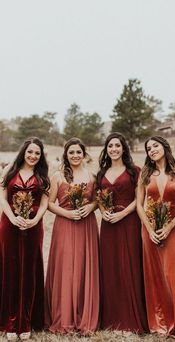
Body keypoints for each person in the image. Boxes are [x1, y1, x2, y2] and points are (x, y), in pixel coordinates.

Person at [137, 136, 175, 339]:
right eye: (148, 148)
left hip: (173, 227)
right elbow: (139, 205)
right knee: (154, 275)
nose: (152, 150)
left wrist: (168, 227)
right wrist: (150, 229)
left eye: (155, 146)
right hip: (149, 229)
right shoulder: (145, 174)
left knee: (174, 275)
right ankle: (159, 322)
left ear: (164, 147)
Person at [44, 137, 100, 334]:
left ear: (84, 154)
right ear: (66, 155)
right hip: (64, 225)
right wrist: (67, 213)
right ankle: (65, 316)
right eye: (71, 152)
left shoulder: (92, 176)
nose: (75, 155)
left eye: (78, 152)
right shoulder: (58, 176)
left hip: (86, 226)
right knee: (66, 268)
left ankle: (84, 315)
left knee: (85, 266)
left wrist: (90, 207)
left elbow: (97, 201)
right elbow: (49, 204)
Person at [96, 132, 148, 334]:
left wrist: (123, 213)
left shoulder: (135, 171)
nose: (114, 149)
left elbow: (140, 199)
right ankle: (113, 319)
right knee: (110, 267)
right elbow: (99, 198)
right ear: (106, 149)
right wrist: (103, 212)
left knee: (130, 265)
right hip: (108, 225)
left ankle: (130, 319)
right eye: (110, 146)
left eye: (117, 145)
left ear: (124, 148)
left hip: (129, 222)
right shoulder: (101, 173)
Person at [0, 137, 50, 341]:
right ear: (23, 152)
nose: (33, 156)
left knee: (30, 271)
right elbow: (2, 198)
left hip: (33, 227)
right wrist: (12, 218)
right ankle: (10, 322)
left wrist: (34, 220)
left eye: (37, 153)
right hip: (9, 226)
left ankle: (27, 321)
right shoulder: (9, 171)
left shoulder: (43, 175)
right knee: (10, 269)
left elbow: (45, 202)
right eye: (30, 152)